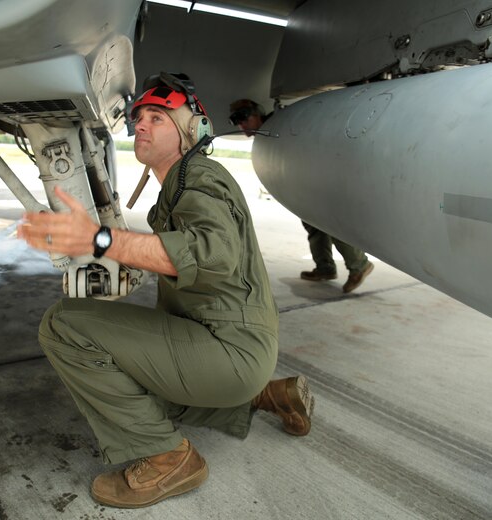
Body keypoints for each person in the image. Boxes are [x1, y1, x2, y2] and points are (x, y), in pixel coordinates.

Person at [18, 76, 315, 509]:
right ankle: (267, 395)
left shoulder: (201, 177)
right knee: (135, 391)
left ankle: (168, 460)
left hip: (230, 349)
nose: (141, 124)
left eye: (157, 117)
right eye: (139, 117)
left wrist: (99, 240)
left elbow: (213, 254)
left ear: (190, 131)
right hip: (235, 351)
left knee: (63, 325)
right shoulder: (180, 186)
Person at [229, 99, 375, 293]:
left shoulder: (281, 124)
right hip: (307, 181)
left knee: (329, 222)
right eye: (238, 122)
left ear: (255, 114)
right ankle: (325, 268)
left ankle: (359, 265)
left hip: (319, 178)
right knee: (313, 223)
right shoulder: (269, 131)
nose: (242, 126)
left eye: (244, 119)